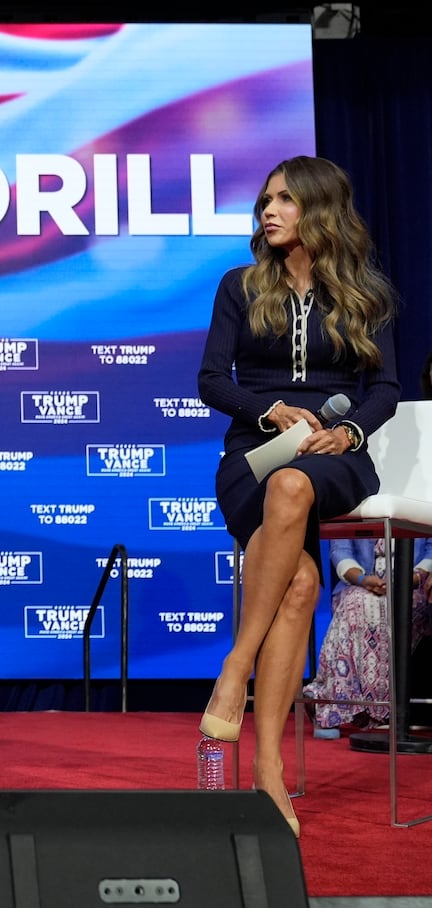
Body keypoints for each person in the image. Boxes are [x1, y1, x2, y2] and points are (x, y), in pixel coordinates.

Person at [196, 156, 401, 837]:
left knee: (295, 485)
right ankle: (268, 774)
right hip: (253, 454)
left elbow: (385, 391)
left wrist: (344, 432)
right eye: (265, 201)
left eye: (285, 199)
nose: (269, 211)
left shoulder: (366, 293)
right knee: (300, 585)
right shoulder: (239, 285)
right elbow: (211, 381)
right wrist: (271, 411)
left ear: (320, 208)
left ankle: (235, 669)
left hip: (336, 458)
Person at [302, 538, 432, 737]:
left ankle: (327, 701)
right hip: (361, 585)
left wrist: (407, 579)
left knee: (380, 608)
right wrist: (363, 579)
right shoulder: (354, 506)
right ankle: (339, 707)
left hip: (412, 588)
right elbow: (340, 551)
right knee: (355, 602)